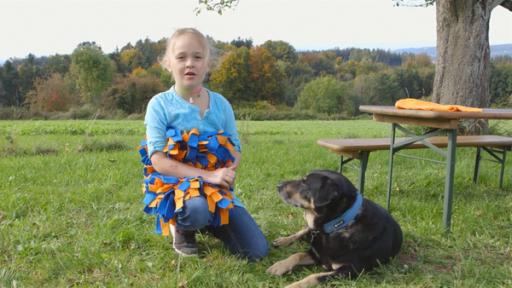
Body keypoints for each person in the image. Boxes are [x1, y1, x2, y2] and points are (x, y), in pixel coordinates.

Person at [143, 28, 268, 261]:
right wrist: (207, 176)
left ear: (207, 63)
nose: (190, 63)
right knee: (197, 209)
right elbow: (158, 161)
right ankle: (183, 226)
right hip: (177, 189)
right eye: (181, 57)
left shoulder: (221, 104)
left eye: (197, 57)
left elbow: (235, 149)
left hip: (216, 190)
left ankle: (209, 221)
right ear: (168, 63)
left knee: (256, 252)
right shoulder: (159, 105)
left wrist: (226, 172)